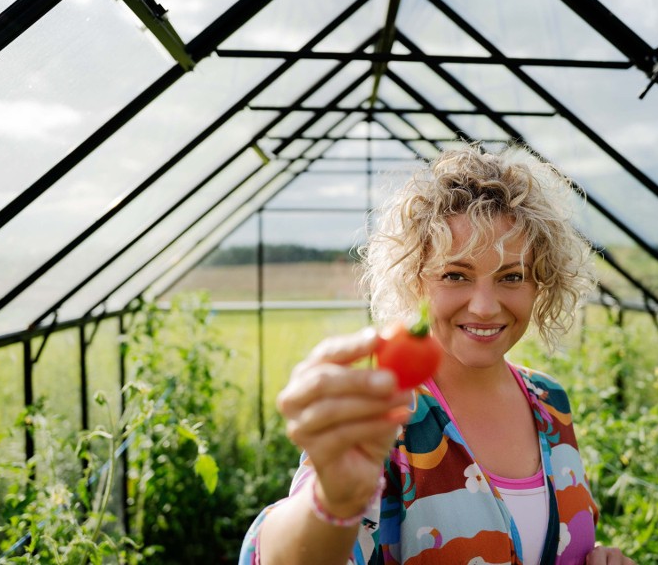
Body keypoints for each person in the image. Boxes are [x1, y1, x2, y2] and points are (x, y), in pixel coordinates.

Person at [239, 143, 635, 564]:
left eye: (511, 276)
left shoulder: (550, 401)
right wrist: (331, 502)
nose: (484, 306)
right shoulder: (391, 412)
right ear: (415, 282)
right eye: (455, 275)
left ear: (541, 283)